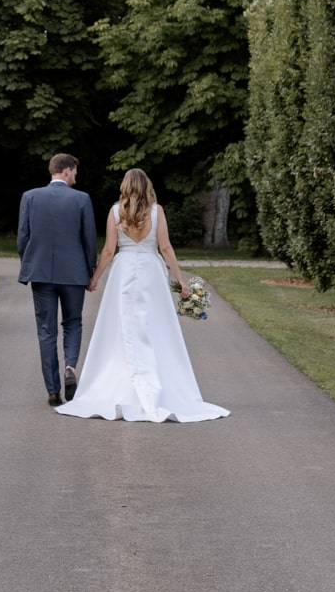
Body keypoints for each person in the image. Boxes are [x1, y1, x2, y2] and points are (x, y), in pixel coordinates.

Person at [57, 168, 228, 423]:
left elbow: (107, 251)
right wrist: (180, 279)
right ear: (147, 186)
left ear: (125, 186)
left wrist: (94, 278)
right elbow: (165, 247)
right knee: (153, 327)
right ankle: (156, 381)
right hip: (150, 271)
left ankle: (120, 382)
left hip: (123, 270)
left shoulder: (116, 212)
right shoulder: (157, 212)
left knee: (121, 327)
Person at [17, 152, 97, 406]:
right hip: (74, 274)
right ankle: (70, 368)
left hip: (41, 274)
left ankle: (53, 391)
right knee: (73, 323)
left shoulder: (30, 197)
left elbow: (23, 237)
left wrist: (29, 264)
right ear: (66, 170)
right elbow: (89, 241)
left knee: (46, 330)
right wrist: (90, 271)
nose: (76, 176)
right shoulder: (82, 199)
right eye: (75, 171)